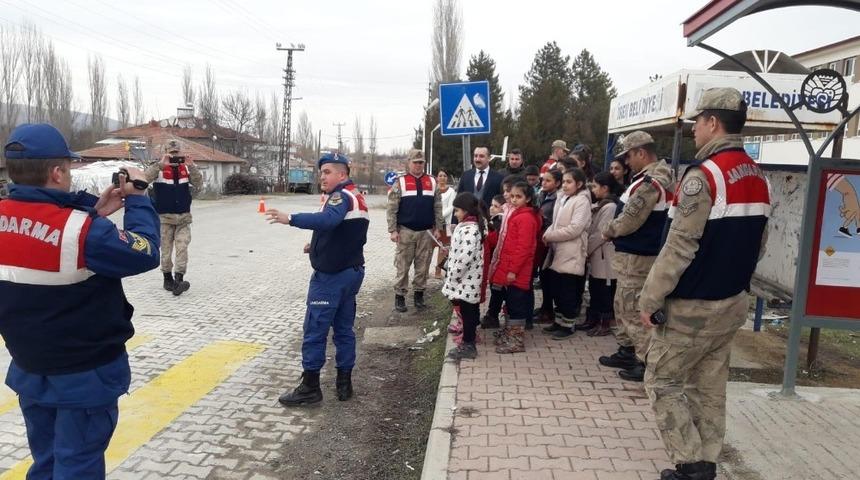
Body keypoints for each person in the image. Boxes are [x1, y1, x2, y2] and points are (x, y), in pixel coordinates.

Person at [0, 123, 160, 477]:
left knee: (46, 461)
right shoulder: (84, 233)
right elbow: (146, 251)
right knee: (78, 465)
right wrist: (137, 199)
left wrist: (93, 213)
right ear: (57, 172)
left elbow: (41, 234)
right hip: (84, 378)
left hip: (30, 369)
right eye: (68, 169)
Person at [637, 88, 770, 480]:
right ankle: (706, 463)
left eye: (698, 122)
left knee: (662, 381)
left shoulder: (704, 175)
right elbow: (759, 242)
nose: (695, 130)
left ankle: (690, 463)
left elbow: (679, 245)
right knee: (709, 385)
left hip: (693, 306)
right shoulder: (756, 174)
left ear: (714, 123)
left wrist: (650, 298)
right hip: (731, 301)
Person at [266, 152, 369, 406]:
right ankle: (344, 385)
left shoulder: (340, 196)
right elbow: (345, 233)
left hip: (331, 279)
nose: (321, 176)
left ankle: (310, 388)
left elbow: (328, 220)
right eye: (321, 172)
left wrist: (290, 218)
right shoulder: (356, 196)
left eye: (327, 172)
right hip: (351, 273)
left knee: (315, 330)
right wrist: (316, 247)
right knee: (344, 330)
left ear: (342, 174)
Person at [599, 130, 673, 383]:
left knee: (633, 310)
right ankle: (628, 351)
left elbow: (631, 219)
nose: (627, 162)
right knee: (623, 305)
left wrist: (609, 231)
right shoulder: (645, 179)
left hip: (639, 257)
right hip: (632, 255)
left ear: (641, 153)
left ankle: (644, 362)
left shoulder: (650, 184)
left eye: (629, 156)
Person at [144, 139, 203, 296]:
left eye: (177, 153)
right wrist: (160, 165)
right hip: (165, 218)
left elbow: (198, 183)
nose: (175, 157)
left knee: (182, 247)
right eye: (171, 154)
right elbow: (145, 179)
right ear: (165, 153)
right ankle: (167, 278)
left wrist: (192, 165)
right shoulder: (159, 168)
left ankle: (179, 279)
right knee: (166, 249)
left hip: (183, 217)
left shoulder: (186, 168)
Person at [386, 149, 444, 312]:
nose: (418, 165)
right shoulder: (400, 182)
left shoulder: (432, 182)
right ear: (409, 163)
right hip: (405, 232)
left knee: (423, 266)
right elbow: (392, 209)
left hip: (426, 232)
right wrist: (392, 230)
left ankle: (419, 296)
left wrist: (439, 227)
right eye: (415, 162)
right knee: (402, 266)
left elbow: (437, 206)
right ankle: (400, 297)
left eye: (421, 162)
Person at [541, 168, 592, 339]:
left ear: (579, 184)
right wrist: (548, 232)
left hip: (572, 250)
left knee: (567, 290)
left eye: (569, 182)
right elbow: (555, 222)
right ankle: (559, 320)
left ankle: (568, 324)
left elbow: (575, 228)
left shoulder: (582, 201)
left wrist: (551, 235)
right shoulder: (562, 198)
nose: (565, 185)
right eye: (563, 181)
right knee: (557, 289)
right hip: (558, 250)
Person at [490, 181, 540, 354]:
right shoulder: (516, 214)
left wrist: (513, 270)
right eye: (512, 196)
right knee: (510, 302)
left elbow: (523, 248)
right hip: (510, 267)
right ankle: (510, 333)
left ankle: (516, 340)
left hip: (518, 270)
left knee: (517, 304)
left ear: (528, 198)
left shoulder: (526, 218)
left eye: (518, 196)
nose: (514, 199)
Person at [444, 192, 488, 360]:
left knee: (468, 312)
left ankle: (469, 344)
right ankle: (468, 340)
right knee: (468, 310)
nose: (455, 214)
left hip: (466, 279)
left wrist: (453, 274)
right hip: (467, 279)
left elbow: (465, 257)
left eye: (457, 211)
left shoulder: (470, 229)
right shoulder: (469, 226)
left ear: (466, 210)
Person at [584, 172, 624, 336]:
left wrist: (585, 249)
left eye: (595, 186)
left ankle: (605, 322)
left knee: (604, 291)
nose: (593, 190)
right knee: (595, 288)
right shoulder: (601, 205)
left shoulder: (610, 207)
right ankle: (593, 319)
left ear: (605, 188)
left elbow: (601, 232)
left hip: (604, 255)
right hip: (597, 255)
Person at [534, 169, 562, 319]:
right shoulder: (542, 194)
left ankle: (549, 310)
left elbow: (555, 220)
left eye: (548, 180)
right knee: (543, 276)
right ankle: (545, 306)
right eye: (543, 180)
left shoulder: (558, 198)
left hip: (550, 241)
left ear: (557, 183)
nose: (543, 183)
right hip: (541, 239)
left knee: (549, 277)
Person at [434, 169, 456, 279]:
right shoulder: (433, 189)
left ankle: (438, 271)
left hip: (445, 223)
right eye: (440, 175)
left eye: (444, 175)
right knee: (428, 247)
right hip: (432, 223)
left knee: (442, 249)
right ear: (437, 177)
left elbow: (451, 207)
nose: (442, 177)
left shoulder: (451, 191)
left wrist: (440, 216)